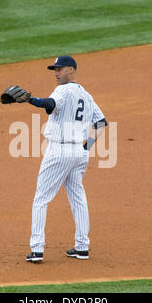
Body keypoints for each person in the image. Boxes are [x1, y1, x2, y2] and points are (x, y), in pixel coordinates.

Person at [25, 55, 108, 263]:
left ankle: (37, 249)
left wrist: (29, 100)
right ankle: (82, 247)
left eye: (60, 69)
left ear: (71, 70)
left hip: (59, 151)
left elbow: (50, 103)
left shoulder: (63, 90)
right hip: (79, 153)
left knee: (41, 198)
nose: (56, 73)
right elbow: (101, 122)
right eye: (55, 69)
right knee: (78, 197)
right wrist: (85, 148)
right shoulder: (86, 95)